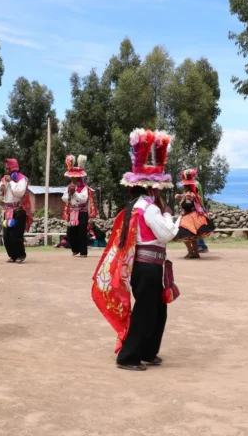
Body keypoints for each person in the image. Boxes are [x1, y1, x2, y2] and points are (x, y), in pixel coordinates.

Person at [92, 129, 180, 371]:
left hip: (145, 267)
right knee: (146, 311)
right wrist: (172, 214)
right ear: (152, 188)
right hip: (148, 267)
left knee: (157, 310)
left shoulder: (136, 206)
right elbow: (167, 234)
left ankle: (149, 351)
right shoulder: (149, 208)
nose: (161, 191)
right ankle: (129, 356)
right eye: (159, 188)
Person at [0, 158, 32, 263]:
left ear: (13, 169)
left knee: (16, 235)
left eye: (8, 169)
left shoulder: (22, 179)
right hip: (7, 211)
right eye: (6, 169)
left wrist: (11, 182)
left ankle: (21, 255)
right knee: (6, 236)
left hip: (19, 211)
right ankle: (12, 255)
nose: (6, 171)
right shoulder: (3, 180)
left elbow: (19, 192)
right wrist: (1, 189)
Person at [174, 169, 215, 259]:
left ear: (186, 186)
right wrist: (181, 197)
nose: (183, 187)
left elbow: (188, 205)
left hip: (188, 216)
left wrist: (184, 210)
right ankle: (195, 252)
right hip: (194, 215)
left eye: (184, 186)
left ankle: (191, 252)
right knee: (192, 236)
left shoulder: (189, 194)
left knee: (185, 235)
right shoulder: (192, 193)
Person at [62, 155, 98, 258]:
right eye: (71, 177)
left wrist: (75, 194)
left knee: (81, 232)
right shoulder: (68, 187)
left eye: (75, 177)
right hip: (72, 212)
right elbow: (64, 198)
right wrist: (69, 194)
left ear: (78, 178)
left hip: (82, 212)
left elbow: (83, 199)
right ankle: (75, 249)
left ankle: (83, 252)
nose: (73, 179)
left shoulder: (84, 188)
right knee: (70, 232)